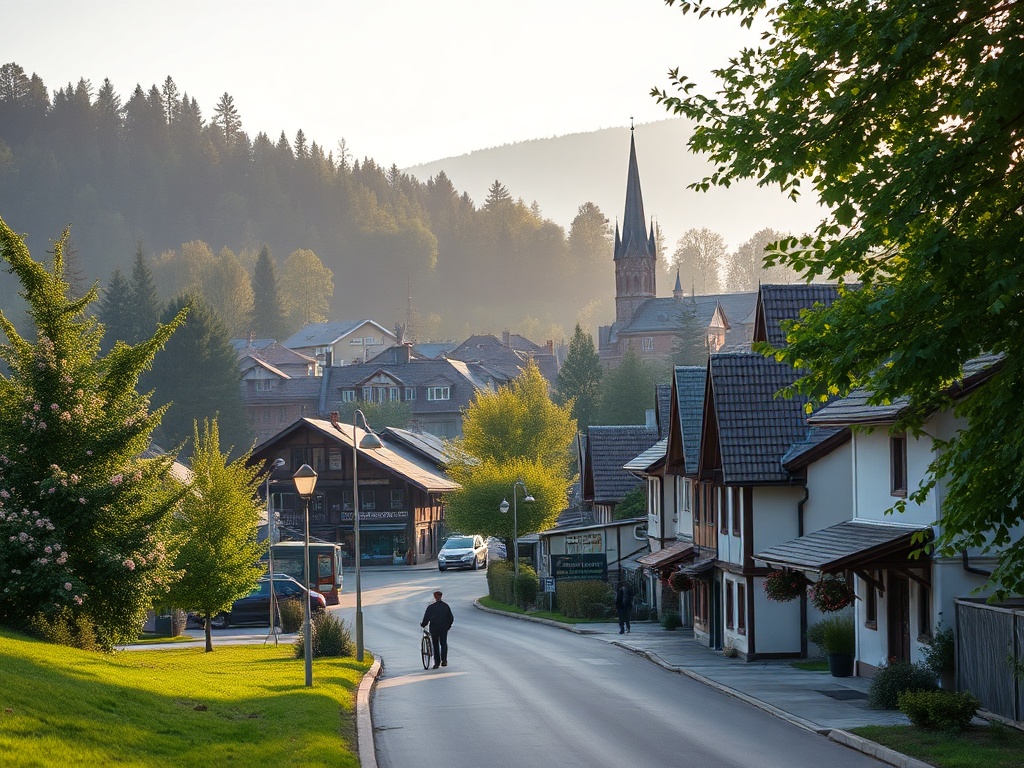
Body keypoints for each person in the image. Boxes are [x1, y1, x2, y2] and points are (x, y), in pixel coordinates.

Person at [421, 590, 454, 668]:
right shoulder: (446, 606)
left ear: (435, 597)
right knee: (443, 643)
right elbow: (451, 618)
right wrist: (448, 626)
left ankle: (437, 663)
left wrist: (423, 625)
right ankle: (444, 660)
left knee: (435, 644)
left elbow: (426, 618)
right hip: (443, 628)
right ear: (441, 596)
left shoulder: (431, 607)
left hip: (434, 628)